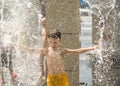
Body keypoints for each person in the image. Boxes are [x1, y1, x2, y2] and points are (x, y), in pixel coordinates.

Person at [21, 29, 98, 86]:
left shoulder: (62, 51)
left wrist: (91, 48)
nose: (53, 44)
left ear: (59, 40)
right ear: (48, 41)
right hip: (51, 78)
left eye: (55, 42)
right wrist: (18, 46)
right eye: (50, 42)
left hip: (61, 78)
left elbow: (77, 51)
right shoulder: (46, 51)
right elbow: (32, 49)